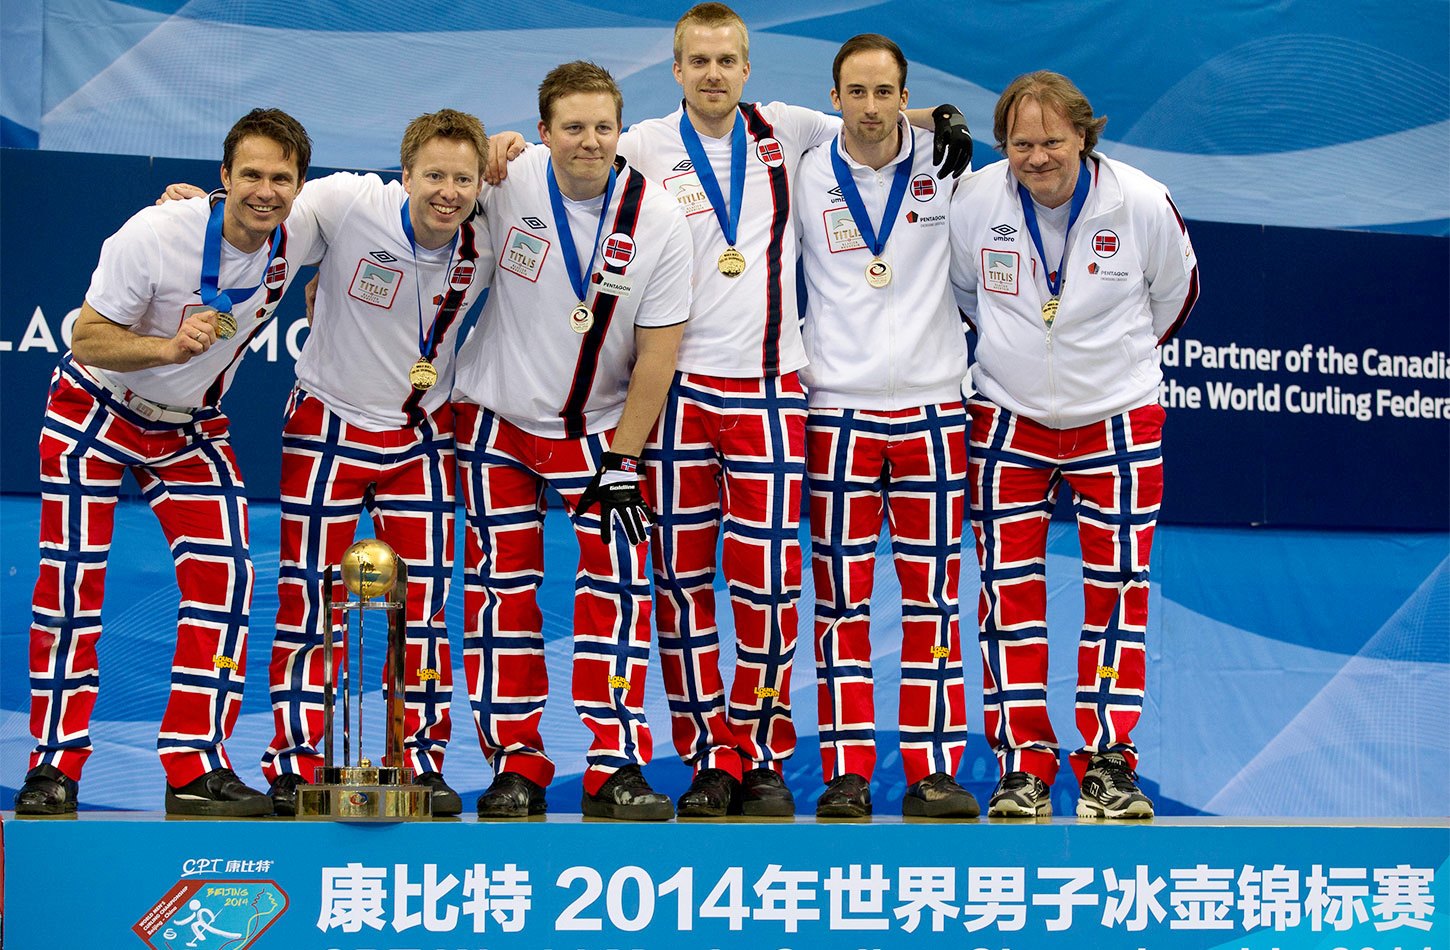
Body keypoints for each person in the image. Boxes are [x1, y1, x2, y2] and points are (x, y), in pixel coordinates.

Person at [526, 2, 969, 819]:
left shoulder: (788, 129)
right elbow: (556, 155)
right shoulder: (642, 144)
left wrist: (938, 115)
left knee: (769, 587)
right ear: (677, 69)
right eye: (699, 61)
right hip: (676, 394)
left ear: (747, 68)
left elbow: (872, 116)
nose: (713, 74)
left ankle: (758, 751)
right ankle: (710, 759)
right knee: (680, 586)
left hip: (770, 389)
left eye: (727, 60)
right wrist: (497, 147)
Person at [17, 108, 317, 817]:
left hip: (190, 428)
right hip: (96, 407)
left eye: (281, 179)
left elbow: (414, 202)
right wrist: (166, 348)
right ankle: (54, 765)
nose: (265, 192)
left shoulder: (303, 228)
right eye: (250, 175)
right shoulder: (154, 233)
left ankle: (195, 764)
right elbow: (88, 337)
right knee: (69, 588)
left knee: (229, 580)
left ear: (301, 187)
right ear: (224, 176)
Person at [947, 71, 1200, 819]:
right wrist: (1022, 360)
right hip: (1007, 417)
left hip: (1118, 417)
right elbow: (964, 295)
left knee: (1118, 591)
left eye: (1053, 141)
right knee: (1007, 596)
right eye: (1020, 143)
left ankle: (1108, 764)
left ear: (1085, 137)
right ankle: (1023, 765)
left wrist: (1109, 366)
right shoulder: (975, 201)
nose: (1037, 157)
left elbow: (1176, 294)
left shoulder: (1141, 201)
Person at [456, 61, 691, 821]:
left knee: (617, 597)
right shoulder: (507, 179)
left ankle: (612, 765)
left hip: (599, 433)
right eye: (573, 127)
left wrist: (625, 458)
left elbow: (658, 353)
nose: (589, 141)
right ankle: (516, 764)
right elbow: (414, 212)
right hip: (496, 423)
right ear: (543, 131)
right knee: (500, 597)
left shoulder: (659, 219)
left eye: (603, 127)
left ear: (620, 130)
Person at [256, 110, 491, 817]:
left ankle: (419, 762)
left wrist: (512, 145)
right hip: (327, 421)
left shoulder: (490, 234)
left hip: (420, 435)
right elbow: (257, 219)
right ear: (404, 173)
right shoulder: (348, 201)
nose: (448, 192)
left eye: (463, 179)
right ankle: (296, 764)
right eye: (434, 175)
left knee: (423, 608)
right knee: (307, 601)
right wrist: (195, 206)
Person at [795, 34, 976, 820]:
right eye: (856, 92)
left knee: (933, 599)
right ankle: (846, 770)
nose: (870, 107)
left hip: (935, 409)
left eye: (885, 92)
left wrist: (944, 119)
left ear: (907, 97)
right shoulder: (803, 168)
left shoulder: (951, 163)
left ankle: (935, 769)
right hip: (837, 409)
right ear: (833, 97)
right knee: (841, 602)